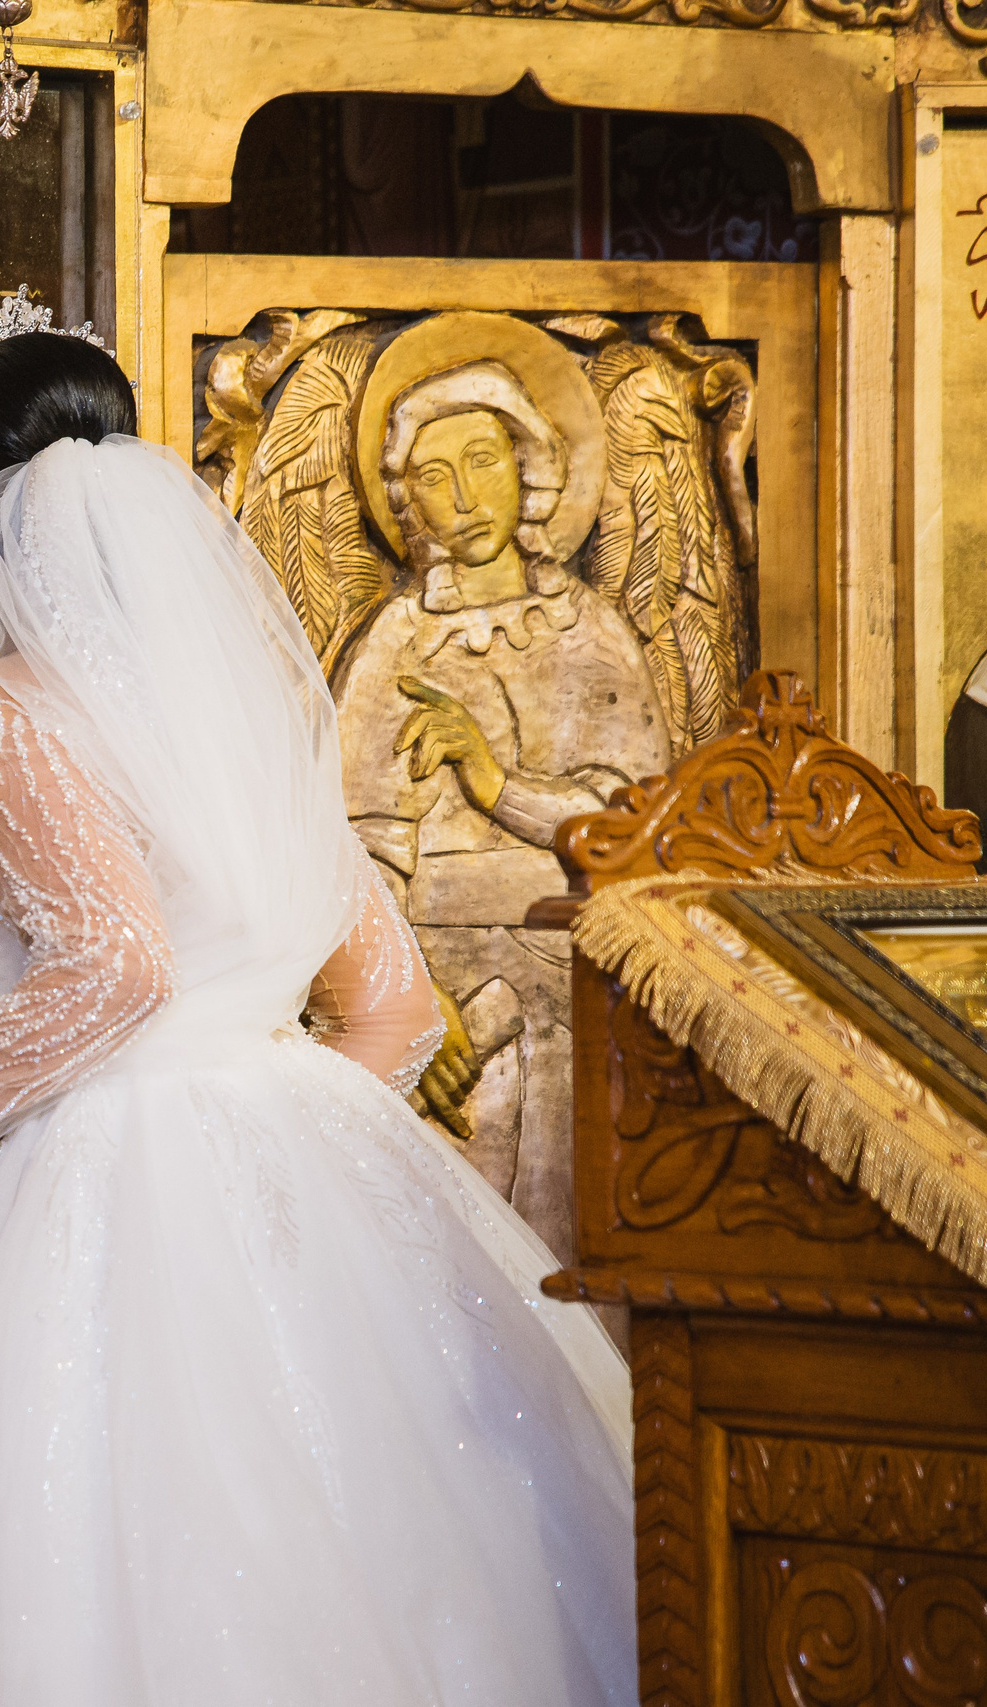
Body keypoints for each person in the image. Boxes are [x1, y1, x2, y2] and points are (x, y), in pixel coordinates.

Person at [0, 300, 635, 1707]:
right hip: (334, 1176)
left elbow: (115, 965)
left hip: (109, 1203)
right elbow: (391, 1003)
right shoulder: (239, 718)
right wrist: (288, 1160)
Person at [331, 359, 669, 1260]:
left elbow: (633, 830)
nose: (464, 495)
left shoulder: (593, 632)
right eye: (434, 478)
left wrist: (494, 785)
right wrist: (409, 997)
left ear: (529, 468)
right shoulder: (395, 644)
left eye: (483, 460)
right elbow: (354, 846)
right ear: (407, 501)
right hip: (442, 999)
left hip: (582, 990)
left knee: (573, 1252)